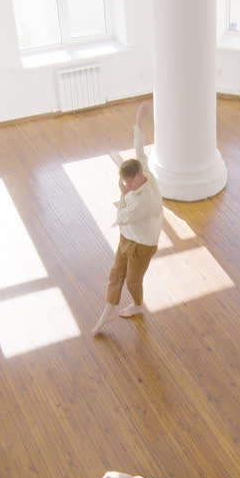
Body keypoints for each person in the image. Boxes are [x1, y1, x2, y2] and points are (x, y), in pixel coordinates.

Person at [93, 100, 163, 335]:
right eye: (124, 182)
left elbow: (122, 217)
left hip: (142, 244)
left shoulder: (145, 202)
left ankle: (138, 306)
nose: (126, 186)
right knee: (116, 273)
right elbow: (139, 149)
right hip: (127, 237)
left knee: (133, 281)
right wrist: (137, 121)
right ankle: (108, 309)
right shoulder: (142, 169)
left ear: (138, 178)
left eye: (129, 182)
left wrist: (123, 196)